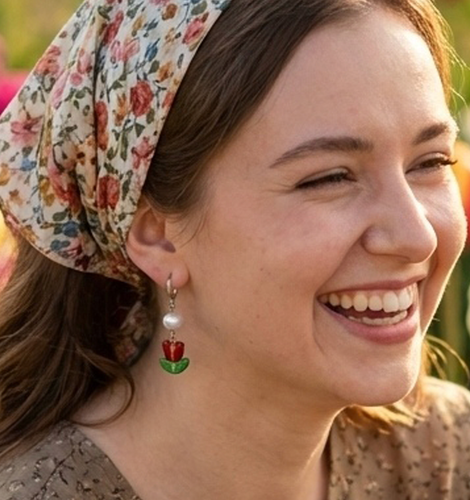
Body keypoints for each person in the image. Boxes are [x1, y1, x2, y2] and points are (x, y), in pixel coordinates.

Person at [0, 0, 469, 498]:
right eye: (330, 178)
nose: (418, 236)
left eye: (430, 162)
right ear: (159, 235)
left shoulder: (448, 454)